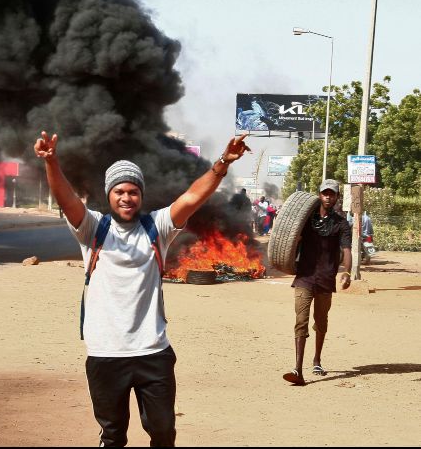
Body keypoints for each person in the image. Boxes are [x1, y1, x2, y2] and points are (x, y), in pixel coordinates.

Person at [34, 130, 251, 446]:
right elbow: (66, 198)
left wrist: (222, 163)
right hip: (106, 353)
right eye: (119, 191)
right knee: (113, 436)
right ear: (109, 194)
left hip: (153, 352)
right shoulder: (92, 228)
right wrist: (51, 162)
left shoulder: (157, 227)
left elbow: (192, 197)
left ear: (141, 195)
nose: (126, 197)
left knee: (163, 433)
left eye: (133, 191)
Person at [283, 179, 352, 386]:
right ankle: (298, 369)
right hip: (304, 277)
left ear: (337, 197)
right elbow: (290, 237)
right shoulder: (306, 220)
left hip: (325, 279)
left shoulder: (341, 224)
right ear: (319, 195)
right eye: (325, 193)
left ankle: (317, 360)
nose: (328, 197)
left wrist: (347, 272)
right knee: (301, 321)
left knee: (321, 322)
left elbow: (347, 250)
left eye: (332, 194)